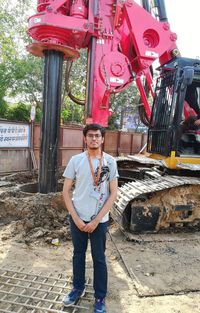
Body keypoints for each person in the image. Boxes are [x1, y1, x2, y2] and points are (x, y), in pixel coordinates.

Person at [62, 123, 118, 313]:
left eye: (97, 136)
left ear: (102, 139)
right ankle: (77, 288)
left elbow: (113, 194)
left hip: (99, 221)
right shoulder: (76, 160)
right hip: (77, 218)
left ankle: (100, 297)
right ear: (85, 138)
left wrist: (96, 220)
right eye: (91, 136)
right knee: (78, 255)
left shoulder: (110, 162)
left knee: (99, 259)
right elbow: (65, 191)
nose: (94, 139)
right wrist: (76, 218)